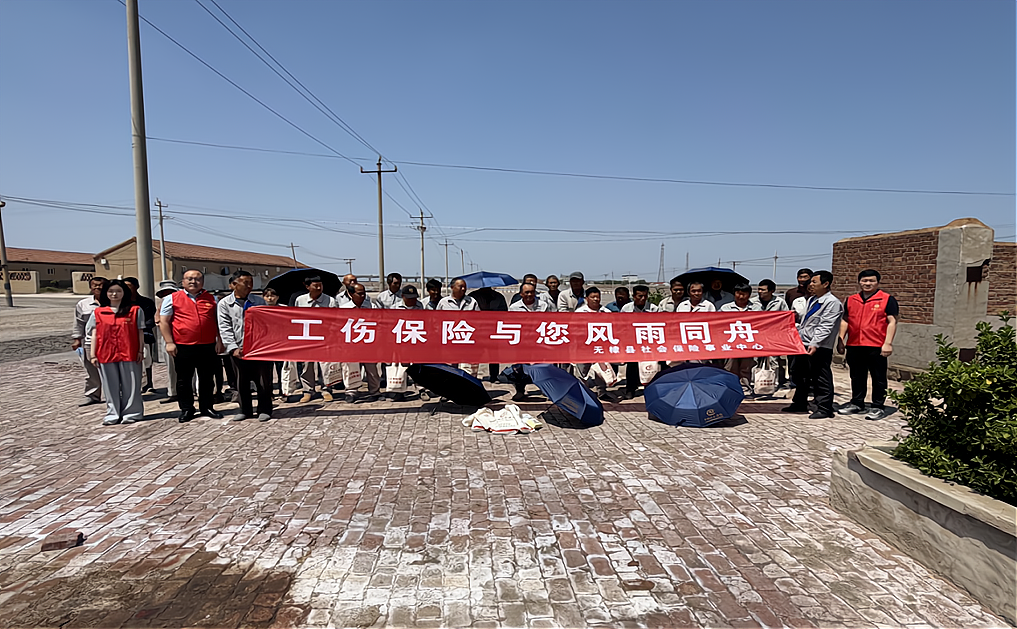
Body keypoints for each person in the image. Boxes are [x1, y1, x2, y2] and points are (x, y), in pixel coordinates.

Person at [159, 270, 224, 422]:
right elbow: (164, 322)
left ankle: (207, 407)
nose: (193, 282)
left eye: (197, 279)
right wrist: (169, 342)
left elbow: (218, 321)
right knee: (184, 380)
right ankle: (187, 409)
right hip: (183, 346)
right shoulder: (171, 298)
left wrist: (220, 341)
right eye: (189, 279)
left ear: (203, 282)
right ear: (183, 281)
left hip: (207, 345)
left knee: (207, 379)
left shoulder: (212, 298)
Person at [837, 269, 899, 421]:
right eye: (864, 280)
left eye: (871, 281)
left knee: (878, 377)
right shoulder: (851, 299)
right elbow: (845, 320)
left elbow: (892, 322)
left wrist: (888, 343)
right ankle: (857, 403)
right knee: (856, 376)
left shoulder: (887, 299)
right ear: (859, 282)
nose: (868, 283)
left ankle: (878, 406)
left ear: (878, 282)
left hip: (876, 345)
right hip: (854, 344)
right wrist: (841, 339)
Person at [783, 270, 843, 419]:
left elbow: (826, 326)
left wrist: (815, 343)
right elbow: (807, 322)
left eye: (814, 282)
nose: (811, 285)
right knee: (800, 374)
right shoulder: (813, 300)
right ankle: (800, 402)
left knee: (820, 377)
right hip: (804, 342)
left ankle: (824, 407)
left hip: (819, 346)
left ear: (825, 284)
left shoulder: (832, 303)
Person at [86, 279, 145, 426]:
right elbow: (94, 334)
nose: (114, 294)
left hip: (129, 353)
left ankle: (132, 413)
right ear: (106, 293)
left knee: (131, 385)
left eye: (118, 291)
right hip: (106, 353)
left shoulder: (135, 311)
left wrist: (140, 351)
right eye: (111, 291)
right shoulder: (98, 312)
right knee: (110, 386)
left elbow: (140, 332)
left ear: (124, 293)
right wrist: (93, 355)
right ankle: (113, 413)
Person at [217, 270, 272, 422]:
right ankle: (245, 409)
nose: (249, 286)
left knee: (263, 381)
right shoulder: (224, 304)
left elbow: (266, 324)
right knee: (241, 381)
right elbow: (225, 327)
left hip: (258, 348)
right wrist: (233, 347)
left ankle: (264, 409)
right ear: (233, 285)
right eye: (245, 283)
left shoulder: (259, 301)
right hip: (238, 348)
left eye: (251, 283)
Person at [294, 275, 337, 403]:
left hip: (325, 337)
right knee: (307, 365)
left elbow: (335, 319)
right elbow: (295, 317)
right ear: (307, 287)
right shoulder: (300, 300)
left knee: (325, 365)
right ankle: (308, 390)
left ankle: (326, 389)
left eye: (320, 285)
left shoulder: (330, 300)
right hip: (306, 338)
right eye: (315, 285)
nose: (318, 288)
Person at [340, 283, 382, 402]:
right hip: (351, 344)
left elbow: (379, 322)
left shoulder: (371, 307)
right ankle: (351, 391)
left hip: (368, 343)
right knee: (350, 368)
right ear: (351, 294)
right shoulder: (344, 309)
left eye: (364, 293)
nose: (363, 296)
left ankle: (375, 391)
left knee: (372, 369)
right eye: (359, 294)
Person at [72, 276, 107, 407]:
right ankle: (93, 395)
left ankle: (116, 394)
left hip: (109, 341)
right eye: (94, 285)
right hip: (89, 342)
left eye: (101, 285)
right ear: (90, 287)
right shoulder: (83, 304)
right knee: (91, 370)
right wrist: (77, 339)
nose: (97, 287)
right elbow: (79, 323)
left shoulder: (112, 302)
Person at [620, 285, 659, 399]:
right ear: (634, 296)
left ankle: (650, 388)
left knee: (651, 365)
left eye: (645, 296)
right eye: (640, 296)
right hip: (632, 340)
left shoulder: (654, 309)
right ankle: (630, 389)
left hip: (649, 340)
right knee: (632, 364)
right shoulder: (626, 308)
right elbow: (621, 325)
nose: (642, 298)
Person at [720, 283, 761, 387]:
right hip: (731, 342)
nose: (741, 296)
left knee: (746, 366)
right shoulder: (725, 308)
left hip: (748, 343)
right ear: (734, 294)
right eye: (738, 293)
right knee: (730, 366)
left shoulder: (756, 308)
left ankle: (745, 387)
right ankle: (731, 386)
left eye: (744, 294)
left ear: (749, 295)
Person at [123, 277, 157, 392]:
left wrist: (139, 329)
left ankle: (148, 384)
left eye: (129, 286)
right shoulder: (121, 303)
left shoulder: (146, 302)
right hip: (125, 338)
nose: (126, 288)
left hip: (144, 336)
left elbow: (151, 320)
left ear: (136, 287)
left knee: (147, 360)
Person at [755, 279, 790, 388]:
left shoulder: (779, 302)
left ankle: (773, 383)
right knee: (755, 359)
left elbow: (785, 318)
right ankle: (755, 382)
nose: (760, 292)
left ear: (771, 291)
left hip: (773, 336)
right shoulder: (753, 302)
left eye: (763, 290)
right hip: (756, 336)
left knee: (773, 360)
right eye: (759, 289)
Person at [469, 284, 509, 383]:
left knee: (494, 354)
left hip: (493, 330)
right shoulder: (473, 296)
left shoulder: (499, 297)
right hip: (477, 331)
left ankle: (494, 376)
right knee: (475, 355)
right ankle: (472, 376)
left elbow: (505, 313)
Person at [154, 280, 179, 403]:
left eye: (170, 292)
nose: (167, 295)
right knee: (170, 367)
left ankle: (193, 391)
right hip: (167, 338)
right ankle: (173, 392)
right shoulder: (162, 304)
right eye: (164, 293)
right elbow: (158, 321)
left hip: (184, 338)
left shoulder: (181, 301)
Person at [262, 287, 286, 396]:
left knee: (282, 369)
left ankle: (283, 391)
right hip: (266, 343)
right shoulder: (260, 309)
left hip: (280, 343)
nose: (270, 298)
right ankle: (269, 392)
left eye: (272, 296)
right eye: (267, 296)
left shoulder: (284, 309)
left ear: (277, 297)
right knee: (267, 370)